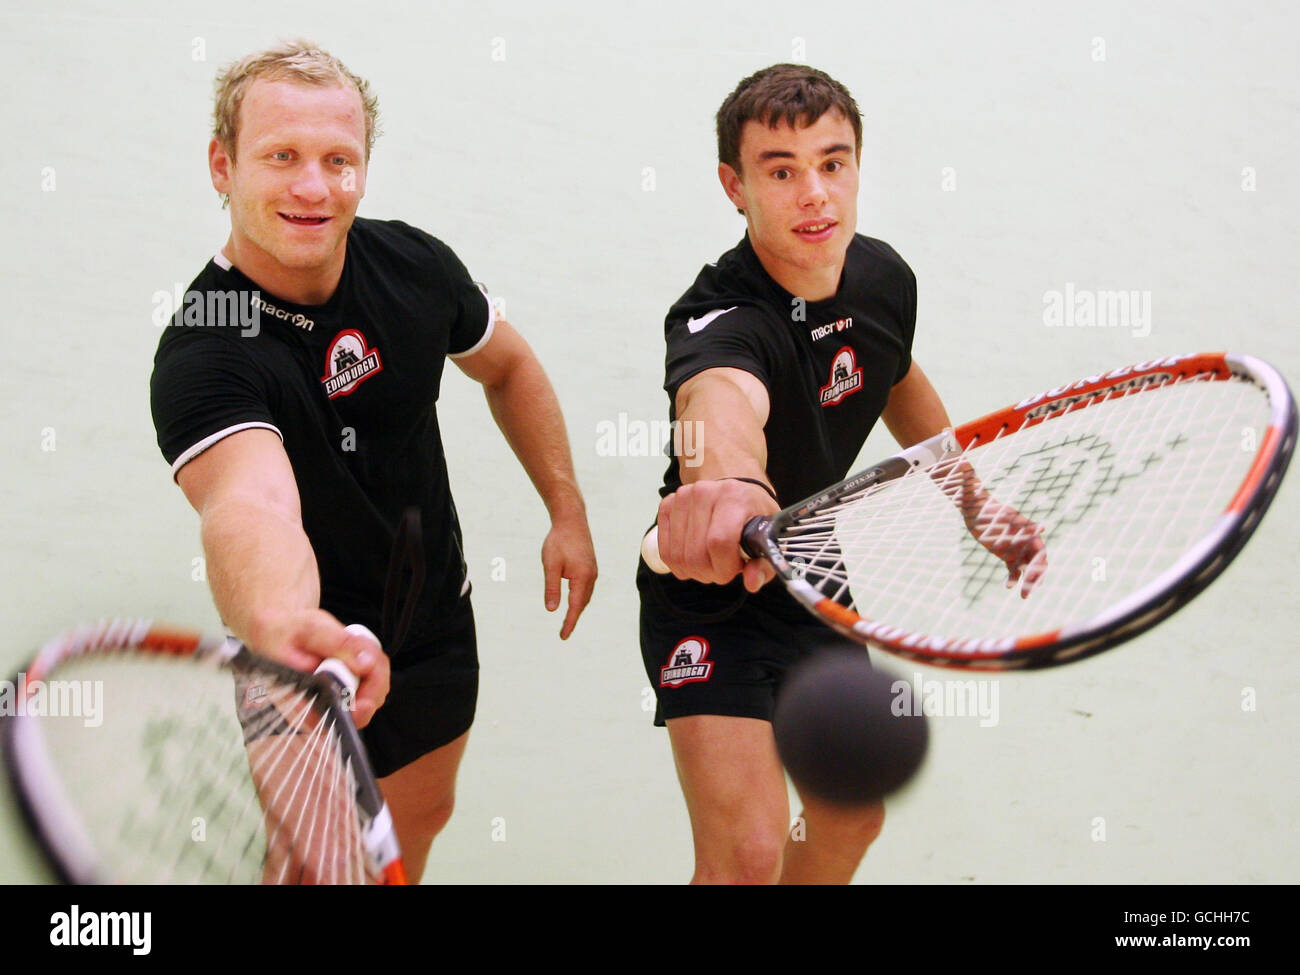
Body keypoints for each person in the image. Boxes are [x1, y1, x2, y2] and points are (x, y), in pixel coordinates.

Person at [150, 40, 597, 882]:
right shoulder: (205, 351)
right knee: (314, 867)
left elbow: (508, 366)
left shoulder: (415, 266)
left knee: (415, 824)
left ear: (364, 167)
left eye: (338, 160)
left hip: (433, 627)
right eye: (281, 157)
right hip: (305, 664)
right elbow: (252, 506)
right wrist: (286, 629)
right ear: (223, 164)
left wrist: (564, 508)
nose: (314, 187)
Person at [639, 64, 1042, 884]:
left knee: (852, 818)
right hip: (707, 588)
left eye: (833, 162)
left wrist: (976, 505)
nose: (814, 193)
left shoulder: (882, 279)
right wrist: (736, 491)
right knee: (747, 855)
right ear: (735, 185)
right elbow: (717, 407)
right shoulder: (719, 319)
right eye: (781, 171)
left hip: (814, 570)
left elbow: (896, 377)